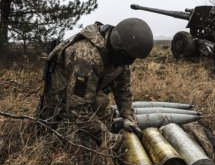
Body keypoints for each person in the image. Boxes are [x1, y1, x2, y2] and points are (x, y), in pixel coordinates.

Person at [38, 18, 154, 146]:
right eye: (127, 58)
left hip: (84, 102)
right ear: (118, 47)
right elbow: (77, 110)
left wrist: (128, 118)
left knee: (106, 117)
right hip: (60, 112)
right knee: (86, 144)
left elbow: (123, 91)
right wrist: (106, 136)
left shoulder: (121, 55)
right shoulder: (86, 56)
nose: (128, 62)